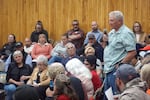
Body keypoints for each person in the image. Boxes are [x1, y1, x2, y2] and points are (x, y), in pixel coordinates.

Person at [103, 11, 137, 99]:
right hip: (108, 69)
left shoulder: (126, 33)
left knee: (116, 96)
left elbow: (132, 52)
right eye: (109, 20)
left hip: (116, 70)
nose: (109, 23)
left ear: (120, 21)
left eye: (112, 21)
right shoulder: (111, 33)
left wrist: (120, 65)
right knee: (108, 96)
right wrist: (105, 42)